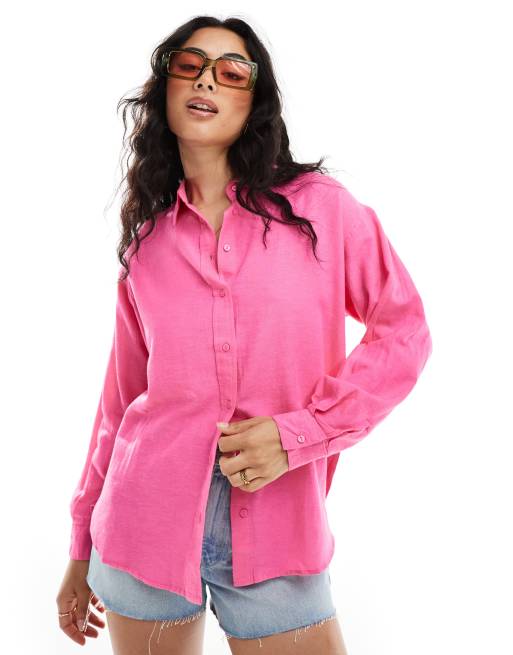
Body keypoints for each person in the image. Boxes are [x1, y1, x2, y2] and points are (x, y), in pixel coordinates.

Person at [56, 15, 432, 655]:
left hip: (279, 527)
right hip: (142, 529)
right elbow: (119, 404)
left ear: (255, 102)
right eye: (189, 65)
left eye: (231, 72)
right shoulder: (148, 242)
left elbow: (405, 331)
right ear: (166, 87)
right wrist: (80, 543)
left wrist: (301, 434)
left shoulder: (321, 210)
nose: (206, 80)